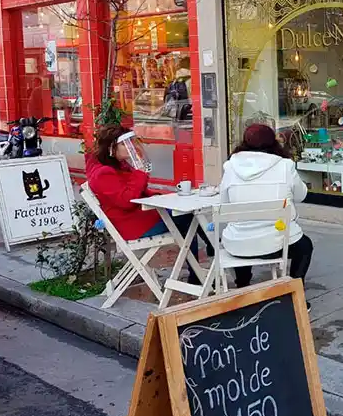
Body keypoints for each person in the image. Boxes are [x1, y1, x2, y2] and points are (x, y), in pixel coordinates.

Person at [86, 124, 213, 283]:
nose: (131, 147)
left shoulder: (117, 166)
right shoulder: (103, 173)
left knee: (187, 215)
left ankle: (207, 254)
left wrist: (157, 196)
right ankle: (200, 267)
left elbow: (136, 192)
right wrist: (140, 173)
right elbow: (127, 200)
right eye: (126, 144)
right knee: (187, 219)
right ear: (112, 147)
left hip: (137, 218)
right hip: (132, 225)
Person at [220, 124, 313, 296]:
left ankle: (242, 285)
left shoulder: (230, 167)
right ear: (273, 142)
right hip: (276, 243)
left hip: (238, 244)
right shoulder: (285, 165)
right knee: (305, 246)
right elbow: (301, 195)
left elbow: (224, 204)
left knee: (243, 232)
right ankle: (296, 294)